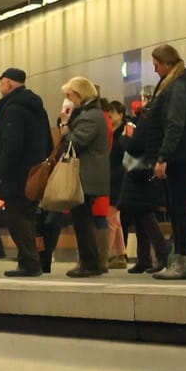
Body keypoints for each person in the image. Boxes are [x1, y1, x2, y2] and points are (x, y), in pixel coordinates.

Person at [135, 44, 186, 279]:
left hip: (179, 157)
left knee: (179, 210)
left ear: (166, 63)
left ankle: (182, 262)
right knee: (176, 209)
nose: (154, 70)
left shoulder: (177, 87)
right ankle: (179, 259)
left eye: (156, 65)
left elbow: (175, 124)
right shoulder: (172, 86)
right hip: (179, 155)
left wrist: (163, 156)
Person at [0, 67, 52, 277]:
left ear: (8, 83)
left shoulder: (12, 109)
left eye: (1, 82)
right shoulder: (38, 109)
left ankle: (29, 262)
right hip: (34, 175)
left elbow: (11, 144)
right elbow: (48, 141)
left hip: (16, 175)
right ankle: (31, 260)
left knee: (16, 218)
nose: (1, 86)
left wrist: (0, 172)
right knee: (28, 217)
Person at [36, 77, 111, 278]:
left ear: (80, 95)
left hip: (87, 175)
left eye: (69, 95)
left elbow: (74, 143)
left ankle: (90, 262)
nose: (68, 100)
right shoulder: (89, 114)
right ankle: (90, 261)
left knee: (83, 220)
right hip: (85, 174)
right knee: (82, 219)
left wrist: (65, 123)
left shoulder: (91, 117)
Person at [115, 110, 171, 275]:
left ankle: (162, 252)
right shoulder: (155, 120)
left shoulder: (146, 120)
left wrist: (123, 139)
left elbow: (136, 147)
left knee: (145, 214)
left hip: (140, 174)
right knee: (139, 213)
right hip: (144, 173)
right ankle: (144, 258)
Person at [104, 101, 132, 268]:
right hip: (110, 177)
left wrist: (115, 174)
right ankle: (120, 254)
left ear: (121, 114)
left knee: (110, 217)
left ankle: (104, 253)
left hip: (119, 178)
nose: (109, 117)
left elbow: (125, 158)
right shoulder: (111, 132)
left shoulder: (125, 133)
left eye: (112, 114)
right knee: (116, 218)